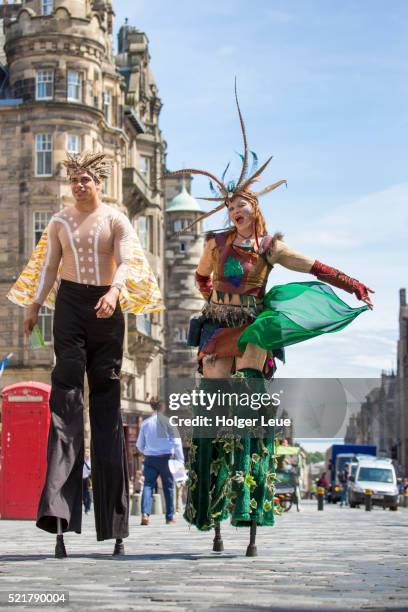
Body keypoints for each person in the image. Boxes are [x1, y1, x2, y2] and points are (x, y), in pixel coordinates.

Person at [165, 84, 374, 555]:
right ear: (228, 211)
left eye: (244, 207)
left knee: (246, 413)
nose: (238, 212)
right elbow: (201, 280)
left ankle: (248, 505)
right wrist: (218, 302)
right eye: (232, 207)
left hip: (253, 330)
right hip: (218, 328)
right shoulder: (214, 243)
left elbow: (310, 265)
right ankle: (213, 508)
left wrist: (351, 282)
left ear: (254, 209)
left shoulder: (270, 247)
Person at [7, 150, 163, 558]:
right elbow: (48, 268)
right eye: (73, 179)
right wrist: (34, 306)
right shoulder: (60, 221)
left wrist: (115, 291)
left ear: (98, 183)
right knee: (66, 403)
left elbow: (130, 259)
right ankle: (58, 514)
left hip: (108, 309)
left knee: (108, 411)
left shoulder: (115, 219)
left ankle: (114, 524)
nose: (78, 185)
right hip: (72, 307)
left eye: (85, 180)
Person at [136, 398, 185, 526]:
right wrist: (180, 460)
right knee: (168, 488)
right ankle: (169, 517)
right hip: (166, 458)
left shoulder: (145, 423)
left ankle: (145, 514)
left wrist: (147, 451)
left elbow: (140, 445)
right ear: (163, 407)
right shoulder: (168, 422)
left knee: (148, 485)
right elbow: (177, 442)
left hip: (150, 459)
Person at [82, 448, 92, 514]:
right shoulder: (81, 460)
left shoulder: (91, 461)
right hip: (82, 479)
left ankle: (88, 509)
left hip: (88, 479)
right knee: (83, 495)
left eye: (88, 451)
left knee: (89, 494)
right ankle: (85, 508)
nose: (86, 453)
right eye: (85, 451)